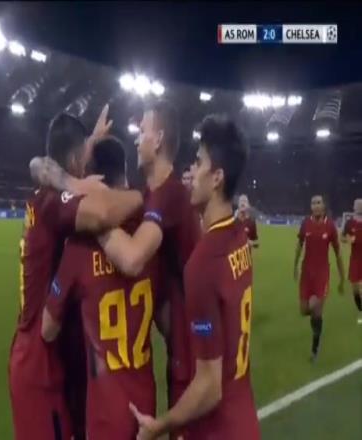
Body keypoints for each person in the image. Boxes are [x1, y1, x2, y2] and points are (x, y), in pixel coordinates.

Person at [9, 107, 143, 440]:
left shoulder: (48, 193)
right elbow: (100, 214)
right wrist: (143, 197)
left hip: (43, 352)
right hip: (39, 362)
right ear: (73, 161)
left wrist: (91, 141)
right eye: (84, 158)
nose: (88, 167)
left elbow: (41, 164)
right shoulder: (55, 202)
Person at [130, 114, 260, 440]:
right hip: (245, 420)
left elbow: (209, 387)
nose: (192, 169)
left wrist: (159, 425)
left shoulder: (202, 264)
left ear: (217, 178)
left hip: (217, 429)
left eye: (199, 162)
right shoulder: (240, 238)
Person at [41, 136, 162, 439]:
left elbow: (47, 329)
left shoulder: (79, 247)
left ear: (93, 178)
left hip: (105, 415)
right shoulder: (150, 234)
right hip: (146, 407)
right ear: (123, 172)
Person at [97, 101, 201, 439]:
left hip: (195, 356)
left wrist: (96, 225)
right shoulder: (152, 195)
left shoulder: (171, 195)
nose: (137, 138)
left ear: (158, 140)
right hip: (182, 350)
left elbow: (131, 259)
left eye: (142, 131)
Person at [293, 195, 345, 362]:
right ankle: (317, 319)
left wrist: (342, 278)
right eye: (313, 203)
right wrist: (295, 266)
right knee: (304, 310)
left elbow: (338, 253)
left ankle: (315, 347)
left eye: (318, 203)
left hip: (322, 274)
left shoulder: (330, 226)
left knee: (315, 307)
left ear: (323, 206)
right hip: (306, 274)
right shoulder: (305, 224)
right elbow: (299, 245)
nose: (315, 205)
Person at [341, 198, 362, 324]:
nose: (359, 207)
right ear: (354, 207)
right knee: (355, 290)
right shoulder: (349, 223)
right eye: (357, 205)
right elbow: (342, 237)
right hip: (355, 260)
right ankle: (360, 309)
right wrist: (349, 239)